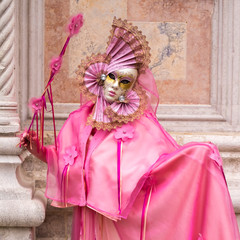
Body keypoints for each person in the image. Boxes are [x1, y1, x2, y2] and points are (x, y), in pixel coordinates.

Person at [20, 17, 240, 240]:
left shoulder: (139, 122)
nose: (115, 86)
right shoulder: (80, 120)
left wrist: (199, 156)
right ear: (100, 76)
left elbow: (160, 169)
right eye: (112, 77)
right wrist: (38, 149)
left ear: (132, 87)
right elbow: (66, 162)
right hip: (89, 216)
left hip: (120, 223)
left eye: (124, 81)